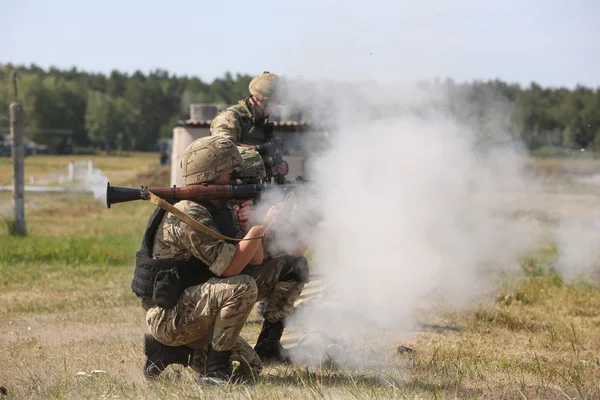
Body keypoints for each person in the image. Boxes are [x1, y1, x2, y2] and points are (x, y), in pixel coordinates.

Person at [135, 135, 281, 385]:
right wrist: (262, 228)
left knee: (250, 369)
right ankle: (215, 373)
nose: (235, 179)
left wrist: (250, 225)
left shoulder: (216, 207)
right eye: (230, 173)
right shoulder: (189, 212)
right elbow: (231, 269)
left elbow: (256, 260)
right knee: (242, 286)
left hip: (191, 305)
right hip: (169, 316)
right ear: (209, 175)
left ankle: (171, 351)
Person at [209, 71, 289, 182]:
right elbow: (222, 150)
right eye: (273, 104)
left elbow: (260, 165)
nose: (275, 108)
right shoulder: (230, 117)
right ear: (258, 100)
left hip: (259, 189)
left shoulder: (261, 123)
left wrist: (278, 166)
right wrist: (259, 149)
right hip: (234, 191)